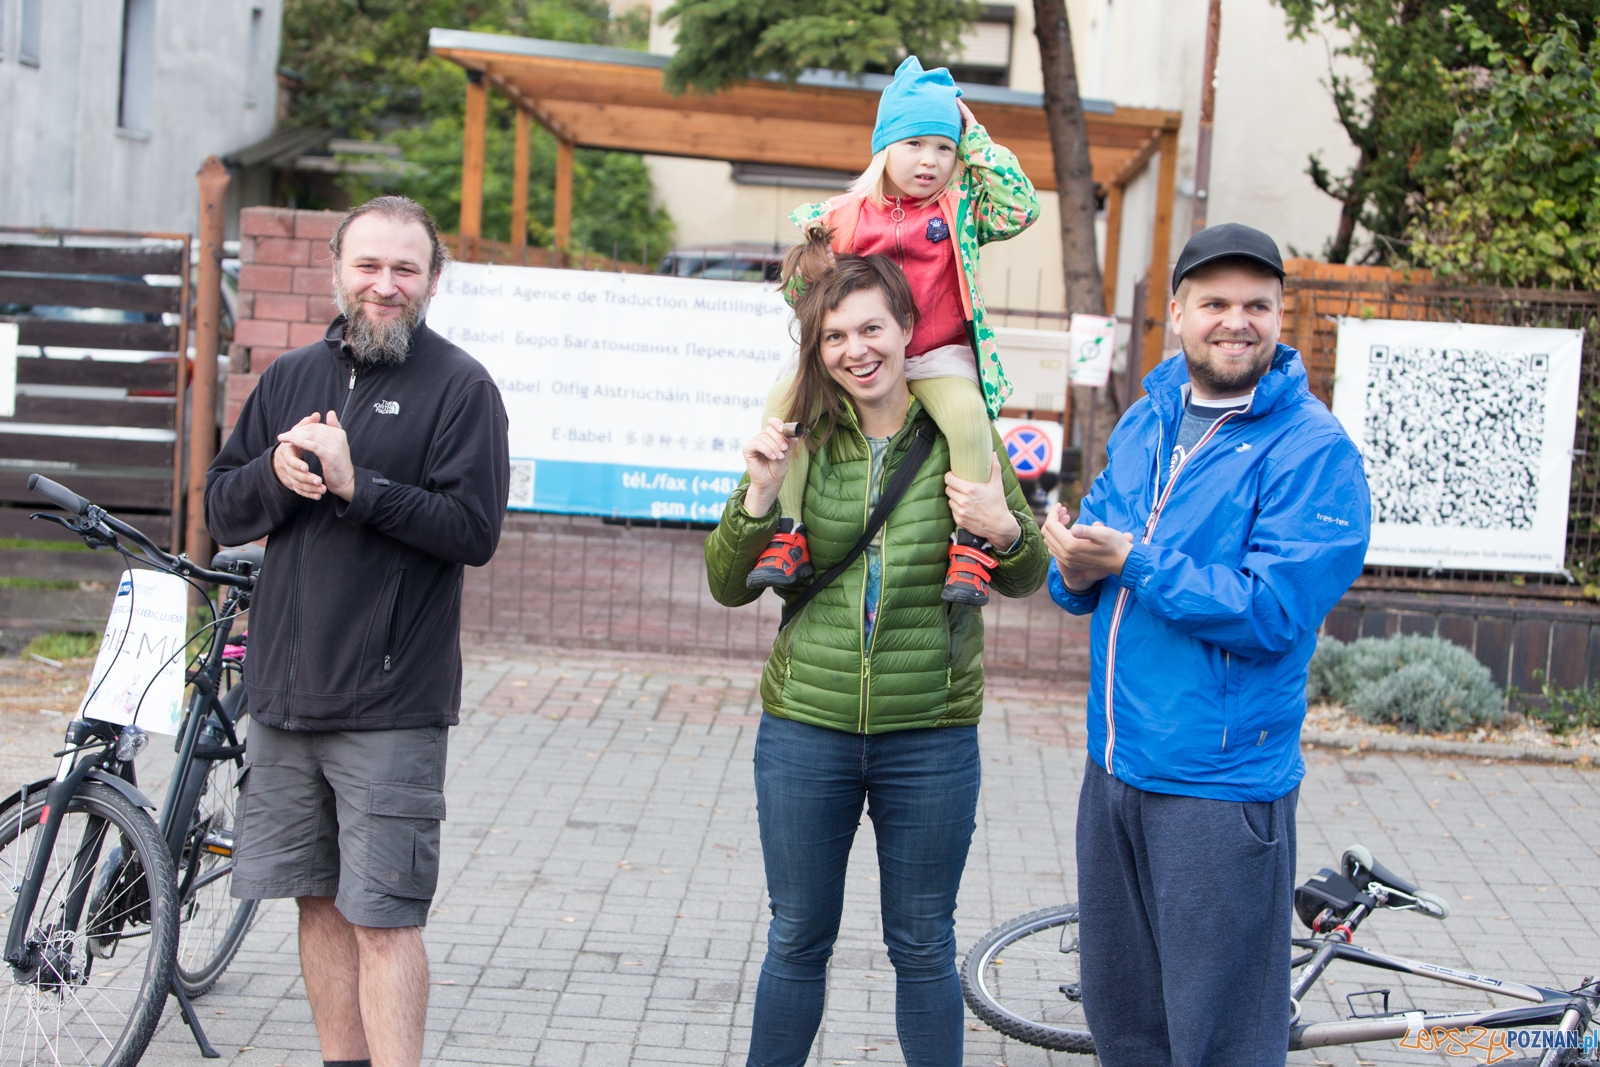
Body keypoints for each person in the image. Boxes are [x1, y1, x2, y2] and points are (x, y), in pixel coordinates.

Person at [705, 254, 1048, 1067]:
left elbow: (1030, 573)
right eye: (834, 336)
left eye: (870, 328)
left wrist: (1001, 526)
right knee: (795, 937)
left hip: (928, 732)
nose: (855, 349)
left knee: (924, 943)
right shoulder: (802, 440)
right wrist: (758, 493)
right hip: (806, 731)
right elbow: (726, 585)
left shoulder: (961, 437)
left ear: (905, 331)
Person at [1042, 223, 1371, 1067]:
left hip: (1219, 790)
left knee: (1220, 1041)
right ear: (1179, 314)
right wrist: (1074, 563)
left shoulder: (1312, 450)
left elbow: (1271, 613)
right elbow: (1094, 569)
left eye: (1257, 305)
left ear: (1281, 316)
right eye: (1216, 303)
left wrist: (1132, 560)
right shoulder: (1146, 423)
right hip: (1115, 767)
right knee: (1128, 1027)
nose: (1237, 321)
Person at [205, 196, 509, 1067]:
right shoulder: (290, 376)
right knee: (317, 902)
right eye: (369, 266)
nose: (385, 285)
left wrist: (355, 484)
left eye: (405, 269)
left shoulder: (461, 388)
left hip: (389, 703)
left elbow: (473, 531)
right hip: (285, 696)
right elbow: (221, 509)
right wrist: (271, 470)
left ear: (433, 280)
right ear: (336, 270)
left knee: (384, 916)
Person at [746, 54, 1040, 607]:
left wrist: (977, 139)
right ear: (885, 146)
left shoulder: (960, 208)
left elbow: (1022, 208)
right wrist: (807, 273)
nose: (929, 161)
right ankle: (789, 533)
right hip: (859, 353)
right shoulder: (846, 213)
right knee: (783, 404)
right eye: (914, 144)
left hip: (934, 350)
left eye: (944, 148)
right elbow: (796, 293)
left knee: (968, 419)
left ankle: (971, 545)